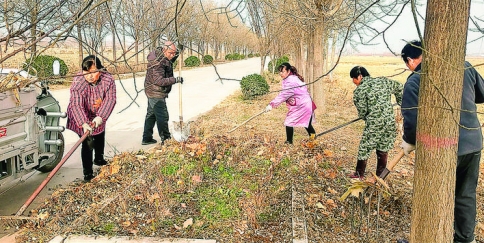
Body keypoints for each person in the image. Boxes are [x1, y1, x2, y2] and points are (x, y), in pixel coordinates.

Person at [400, 40, 484, 243]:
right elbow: (482, 95)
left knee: (435, 193)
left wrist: (409, 141)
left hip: (441, 149)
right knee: (465, 195)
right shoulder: (463, 65)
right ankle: (465, 239)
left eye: (407, 63)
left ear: (411, 60)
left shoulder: (415, 80)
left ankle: (429, 237)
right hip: (473, 143)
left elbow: (411, 123)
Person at [66, 55, 117, 182]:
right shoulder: (78, 81)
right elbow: (76, 104)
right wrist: (83, 123)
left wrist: (101, 116)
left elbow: (110, 99)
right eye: (86, 72)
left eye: (93, 72)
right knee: (87, 142)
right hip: (81, 115)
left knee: (100, 134)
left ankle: (99, 158)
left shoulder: (108, 79)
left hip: (98, 113)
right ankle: (88, 172)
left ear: (100, 70)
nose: (89, 76)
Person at [347, 66, 403, 179]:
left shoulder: (360, 90)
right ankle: (380, 176)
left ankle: (359, 174)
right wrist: (400, 101)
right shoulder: (383, 81)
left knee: (365, 147)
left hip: (375, 124)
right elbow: (400, 87)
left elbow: (363, 111)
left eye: (354, 78)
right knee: (383, 146)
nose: (353, 81)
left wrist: (366, 117)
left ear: (360, 76)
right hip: (390, 122)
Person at [142, 41, 184, 145]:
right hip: (155, 91)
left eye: (174, 53)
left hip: (152, 90)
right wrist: (175, 80)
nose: (173, 55)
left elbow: (172, 57)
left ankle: (146, 138)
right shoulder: (157, 63)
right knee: (162, 116)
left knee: (151, 115)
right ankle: (166, 140)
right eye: (171, 53)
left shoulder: (165, 56)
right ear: (164, 51)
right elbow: (159, 81)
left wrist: (179, 50)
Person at [264, 62, 316, 144]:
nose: (281, 73)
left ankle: (289, 142)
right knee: (307, 123)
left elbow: (284, 95)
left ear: (288, 71)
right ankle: (313, 138)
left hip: (302, 105)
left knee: (289, 121)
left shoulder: (291, 81)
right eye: (280, 72)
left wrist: (271, 104)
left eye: (283, 71)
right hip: (304, 103)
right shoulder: (290, 78)